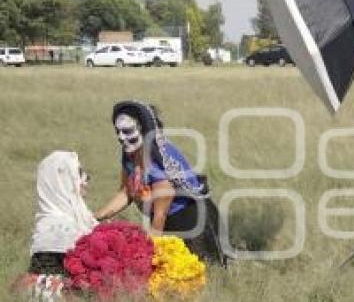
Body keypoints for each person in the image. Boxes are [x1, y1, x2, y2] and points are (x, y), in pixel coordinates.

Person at [95, 100, 227, 266]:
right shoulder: (130, 153)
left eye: (127, 131)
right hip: (163, 218)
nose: (121, 137)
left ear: (144, 130)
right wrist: (96, 217)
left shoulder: (158, 161)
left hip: (190, 221)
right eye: (118, 131)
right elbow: (126, 192)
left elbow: (160, 216)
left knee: (196, 271)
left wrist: (146, 255)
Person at [29, 151, 97, 275]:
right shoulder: (58, 232)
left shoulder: (77, 218)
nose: (87, 177)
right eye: (79, 173)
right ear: (62, 179)